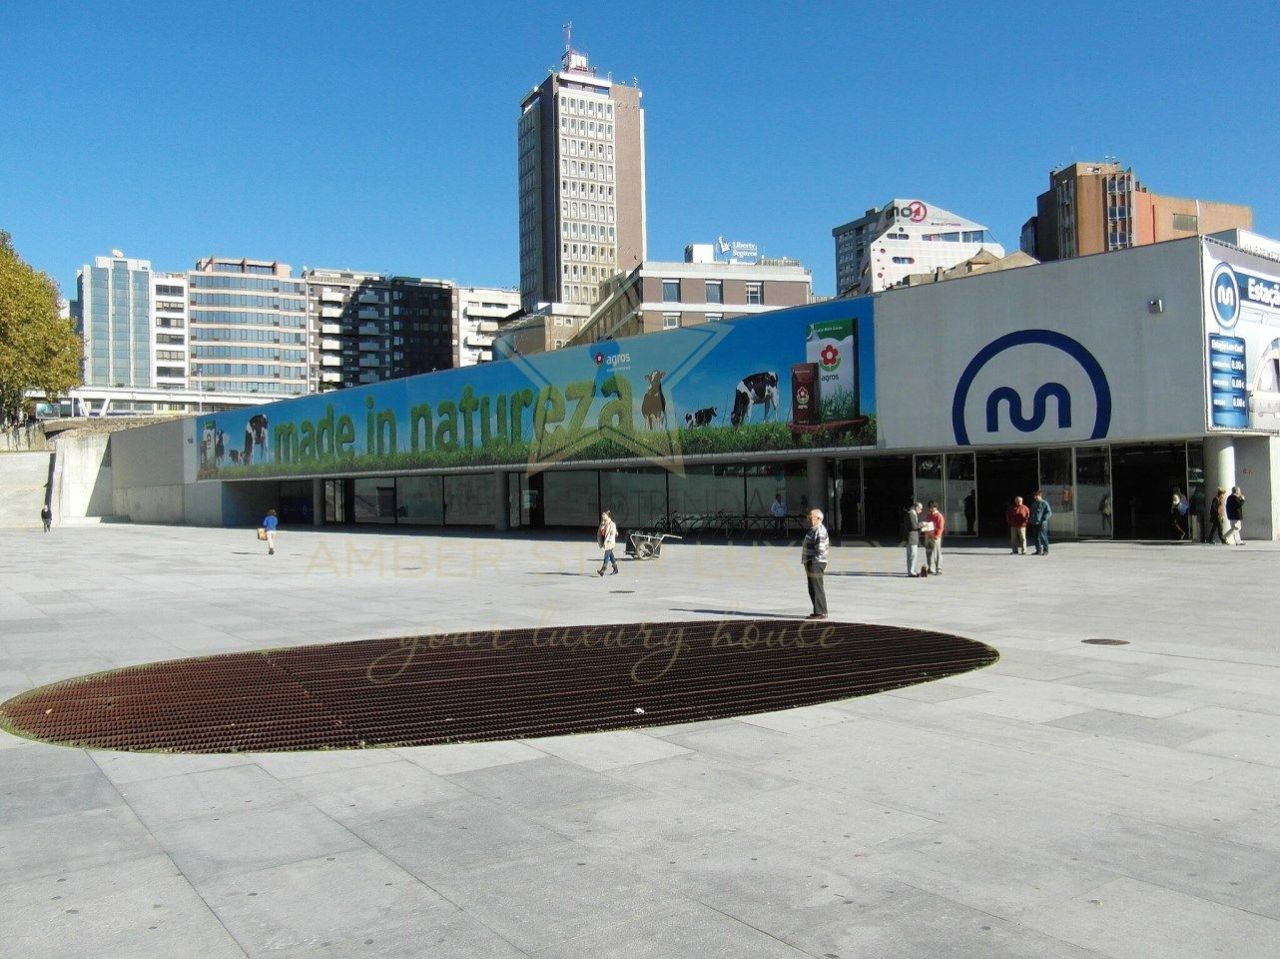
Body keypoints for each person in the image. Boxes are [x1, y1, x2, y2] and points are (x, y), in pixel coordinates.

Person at [800, 508, 829, 618]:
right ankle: (819, 610)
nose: (808, 519)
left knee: (816, 587)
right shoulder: (813, 529)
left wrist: (813, 561)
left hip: (816, 562)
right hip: (812, 562)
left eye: (810, 517)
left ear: (818, 518)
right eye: (808, 517)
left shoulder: (819, 530)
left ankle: (820, 612)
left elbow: (820, 549)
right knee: (813, 587)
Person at [923, 500, 945, 575]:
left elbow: (940, 527)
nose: (930, 509)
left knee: (937, 553)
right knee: (928, 552)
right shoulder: (929, 515)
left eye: (932, 508)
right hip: (928, 536)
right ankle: (930, 568)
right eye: (929, 508)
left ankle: (939, 569)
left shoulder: (939, 516)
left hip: (935, 537)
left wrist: (937, 536)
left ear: (935, 507)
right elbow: (926, 524)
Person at [902, 501, 923, 577]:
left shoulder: (913, 514)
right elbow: (913, 526)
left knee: (912, 555)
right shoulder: (911, 514)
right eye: (920, 509)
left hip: (912, 537)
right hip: (911, 538)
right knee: (912, 555)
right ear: (916, 507)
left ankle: (912, 570)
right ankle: (911, 572)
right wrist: (922, 524)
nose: (921, 511)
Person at [597, 509, 619, 575]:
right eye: (602, 514)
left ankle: (603, 569)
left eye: (604, 514)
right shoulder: (602, 523)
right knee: (611, 555)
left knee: (606, 555)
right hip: (604, 541)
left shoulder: (612, 524)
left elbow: (613, 534)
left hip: (610, 542)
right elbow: (600, 532)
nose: (602, 515)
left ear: (608, 515)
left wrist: (608, 541)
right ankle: (616, 569)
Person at [1029, 491, 1052, 555]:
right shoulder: (1033, 504)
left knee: (1043, 537)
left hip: (1042, 523)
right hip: (1034, 523)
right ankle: (1038, 550)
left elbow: (1049, 512)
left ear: (1040, 496)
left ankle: (1045, 551)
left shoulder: (1044, 503)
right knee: (1036, 537)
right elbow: (1031, 513)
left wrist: (1043, 519)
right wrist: (1031, 520)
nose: (1035, 497)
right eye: (1034, 496)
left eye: (1036, 496)